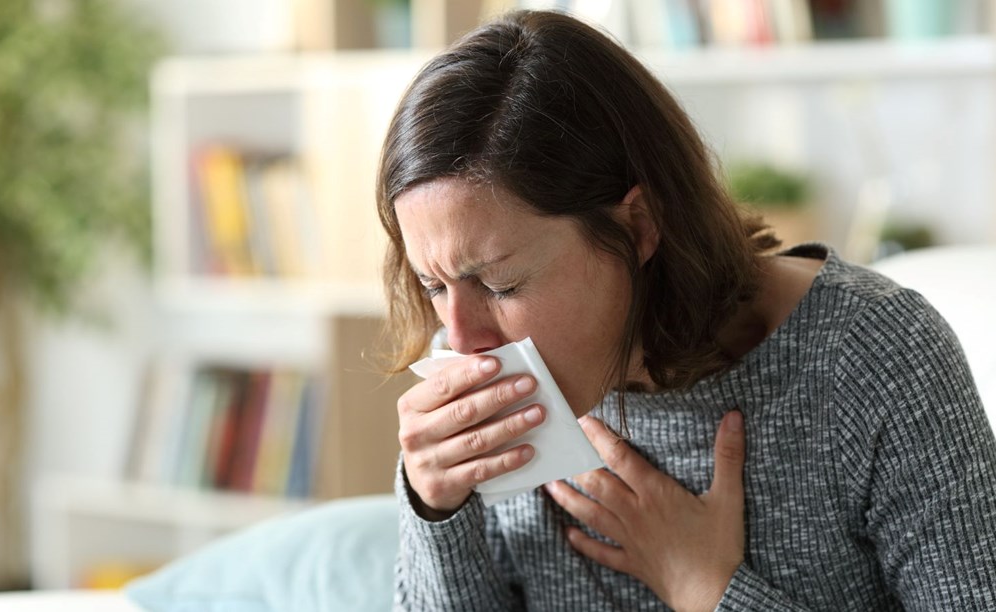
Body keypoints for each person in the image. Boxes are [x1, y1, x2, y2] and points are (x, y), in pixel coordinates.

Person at [374, 10, 996, 611]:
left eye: (502, 284)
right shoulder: (477, 394)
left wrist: (708, 589)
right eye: (433, 286)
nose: (461, 340)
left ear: (639, 225)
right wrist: (436, 509)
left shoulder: (874, 356)